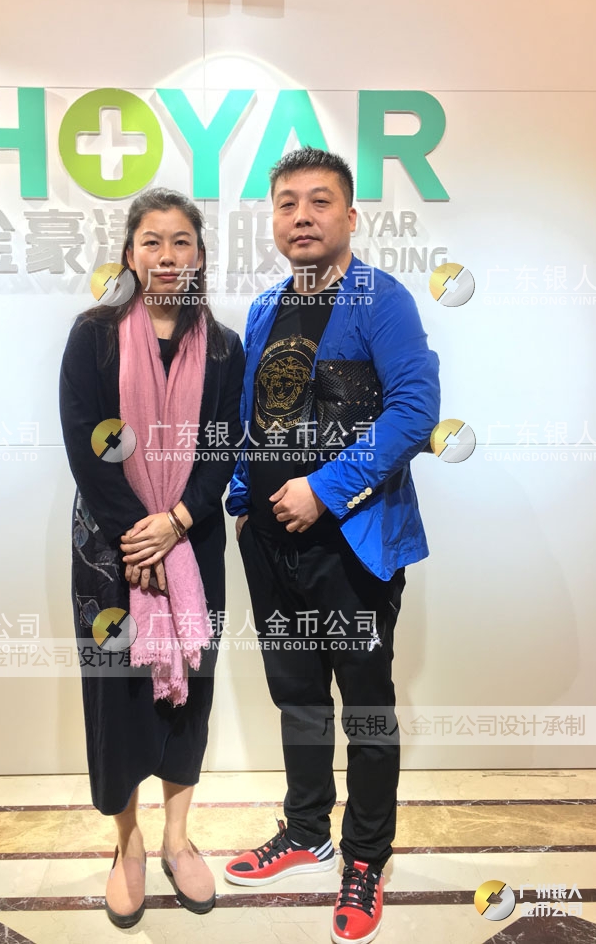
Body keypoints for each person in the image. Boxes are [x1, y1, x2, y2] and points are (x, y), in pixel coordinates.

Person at [224, 148, 440, 944]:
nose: (302, 216)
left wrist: (323, 487)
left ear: (350, 217)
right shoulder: (264, 308)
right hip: (270, 545)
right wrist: (243, 503)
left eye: (319, 201)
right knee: (298, 695)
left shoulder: (382, 299)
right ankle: (307, 827)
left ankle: (365, 856)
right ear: (273, 220)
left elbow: (415, 409)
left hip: (352, 542)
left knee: (367, 705)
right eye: (287, 203)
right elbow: (254, 416)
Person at [59, 188, 244, 928]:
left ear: (199, 254)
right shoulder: (94, 335)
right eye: (152, 242)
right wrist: (138, 532)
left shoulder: (224, 347)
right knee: (117, 696)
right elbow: (85, 442)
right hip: (110, 550)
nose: (167, 256)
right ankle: (127, 844)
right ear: (130, 253)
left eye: (181, 242)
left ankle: (177, 837)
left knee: (190, 689)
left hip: (192, 542)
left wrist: (176, 521)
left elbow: (223, 444)